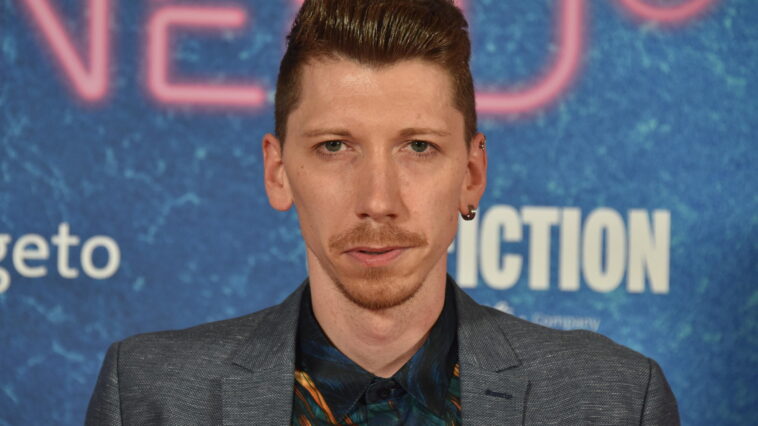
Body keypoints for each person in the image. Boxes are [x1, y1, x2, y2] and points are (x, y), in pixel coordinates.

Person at [86, 0, 680, 424]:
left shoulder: (615, 402)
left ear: (472, 174)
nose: (377, 201)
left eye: (418, 147)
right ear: (278, 171)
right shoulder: (147, 397)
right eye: (334, 146)